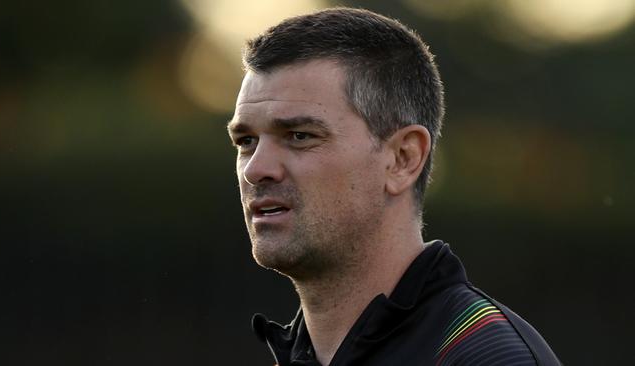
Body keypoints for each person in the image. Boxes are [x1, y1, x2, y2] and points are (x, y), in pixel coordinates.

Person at [227, 7, 560, 366]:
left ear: (403, 159)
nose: (256, 169)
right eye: (246, 141)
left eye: (299, 135)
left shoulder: (486, 357)